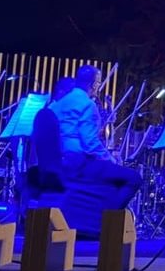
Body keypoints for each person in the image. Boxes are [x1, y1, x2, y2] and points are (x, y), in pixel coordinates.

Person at [49, 65, 141, 210]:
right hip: (78, 164)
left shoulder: (56, 105)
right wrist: (111, 160)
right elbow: (90, 144)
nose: (98, 86)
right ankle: (103, 217)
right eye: (98, 82)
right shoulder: (87, 105)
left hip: (56, 162)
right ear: (93, 84)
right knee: (133, 178)